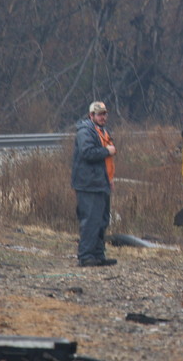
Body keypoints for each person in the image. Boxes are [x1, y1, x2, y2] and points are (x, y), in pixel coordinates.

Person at [71, 101, 118, 267]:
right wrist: (107, 150)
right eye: (99, 114)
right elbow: (87, 153)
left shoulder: (102, 131)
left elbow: (105, 162)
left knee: (102, 220)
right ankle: (85, 256)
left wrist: (109, 180)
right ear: (91, 116)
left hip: (101, 183)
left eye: (105, 113)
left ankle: (98, 255)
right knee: (90, 220)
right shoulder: (85, 131)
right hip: (88, 184)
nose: (103, 117)